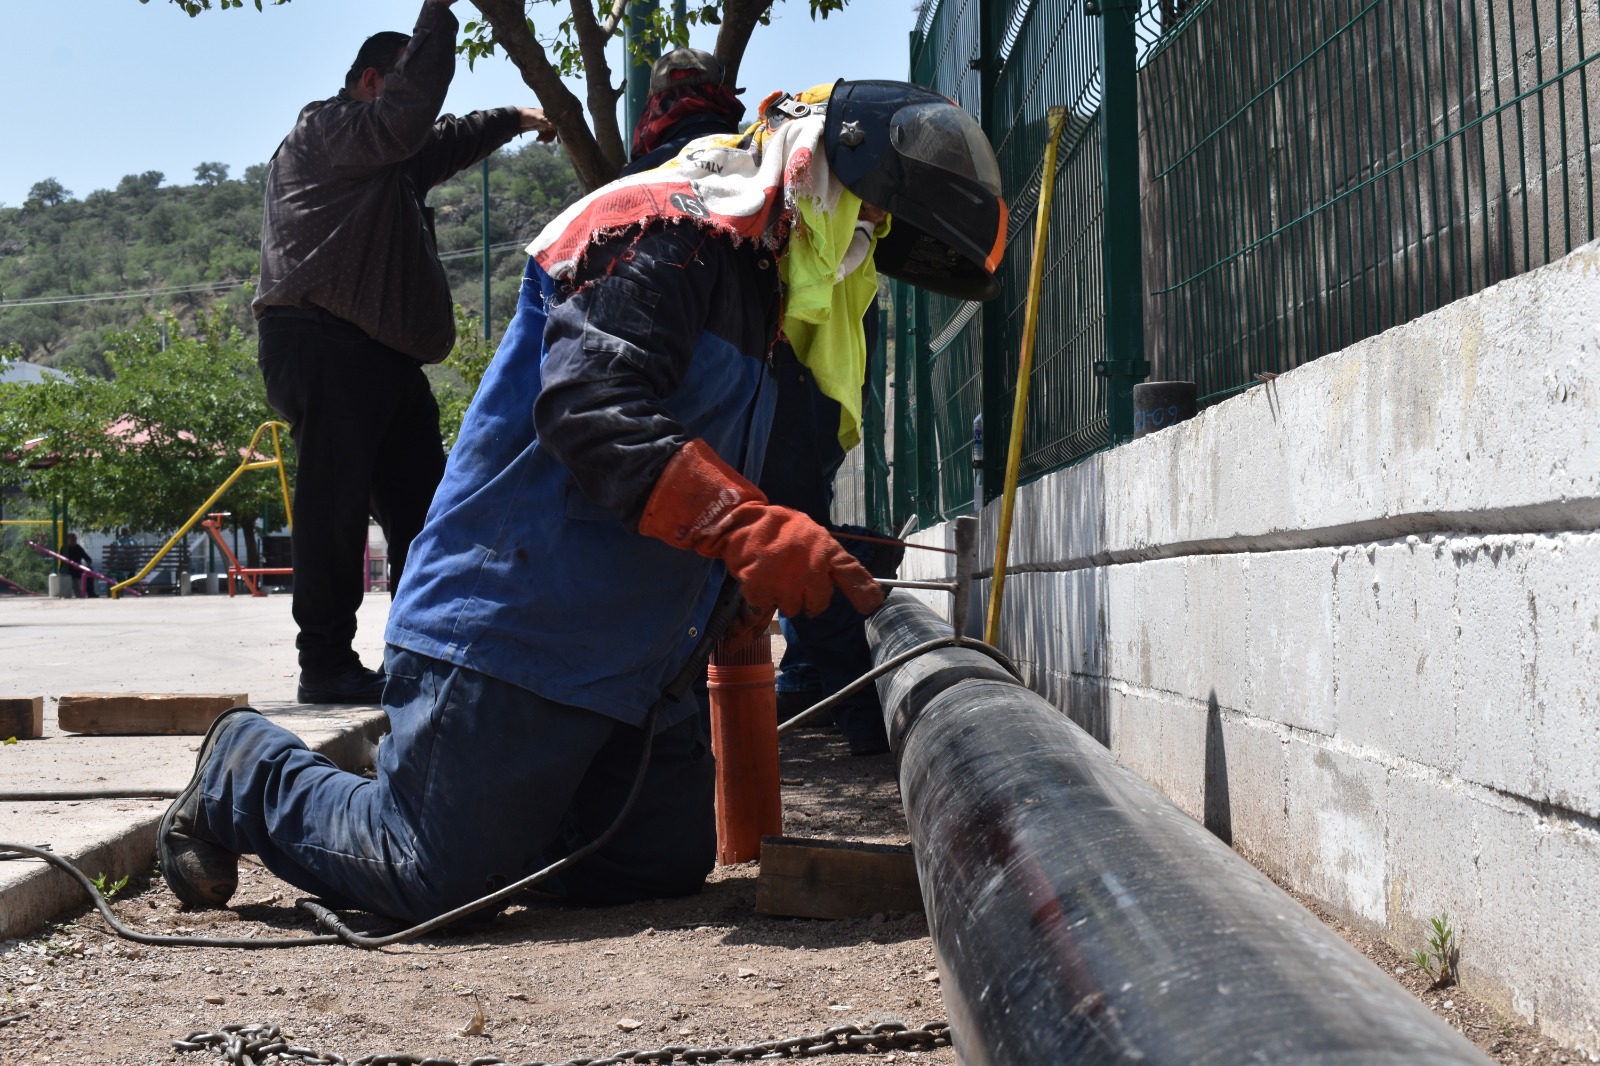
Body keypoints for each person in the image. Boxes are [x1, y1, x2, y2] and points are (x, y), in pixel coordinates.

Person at [160, 80, 1007, 924]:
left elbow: (690, 456)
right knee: (426, 876)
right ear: (818, 166)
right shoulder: (663, 230)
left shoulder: (755, 279)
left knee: (653, 864)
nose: (861, 240)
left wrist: (746, 576)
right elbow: (589, 410)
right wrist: (748, 529)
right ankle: (247, 769)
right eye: (862, 216)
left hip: (634, 662)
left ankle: (488, 811)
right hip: (513, 629)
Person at [253, 0, 555, 705]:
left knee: (427, 511)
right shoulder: (324, 131)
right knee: (335, 509)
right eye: (400, 86)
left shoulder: (388, 163)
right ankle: (323, 663)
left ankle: (426, 653)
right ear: (367, 83)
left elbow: (441, 139)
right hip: (323, 342)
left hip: (384, 358)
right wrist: (441, 12)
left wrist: (514, 117)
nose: (411, 114)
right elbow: (412, 120)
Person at [624, 50, 901, 754]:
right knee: (797, 535)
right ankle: (836, 693)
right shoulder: (770, 169)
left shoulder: (659, 180)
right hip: (802, 394)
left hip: (720, 405)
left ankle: (851, 707)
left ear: (655, 105)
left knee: (773, 544)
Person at [62, 533, 97, 598]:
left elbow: (88, 558)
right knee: (76, 584)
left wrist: (88, 566)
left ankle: (91, 593)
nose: (73, 541)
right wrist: (73, 565)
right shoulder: (64, 548)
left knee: (89, 571)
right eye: (71, 540)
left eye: (75, 539)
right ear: (67, 540)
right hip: (68, 569)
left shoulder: (78, 548)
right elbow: (64, 561)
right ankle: (78, 595)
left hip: (78, 568)